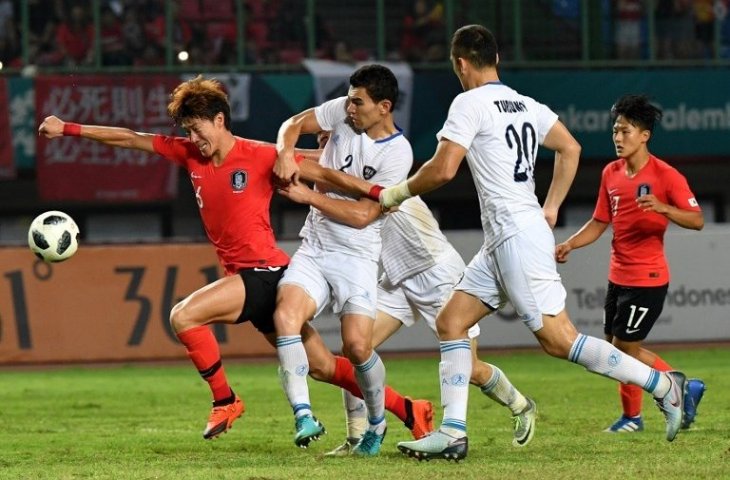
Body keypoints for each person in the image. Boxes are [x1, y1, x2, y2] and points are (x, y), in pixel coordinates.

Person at [37, 75, 433, 443]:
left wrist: (380, 192)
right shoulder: (190, 155)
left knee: (184, 316)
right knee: (323, 367)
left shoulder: (259, 156)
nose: (193, 137)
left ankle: (225, 400)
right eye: (187, 130)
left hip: (265, 272)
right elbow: (129, 138)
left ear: (220, 119)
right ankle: (411, 409)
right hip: (256, 277)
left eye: (198, 128)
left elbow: (324, 173)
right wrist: (69, 128)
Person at [369, 25, 689, 461]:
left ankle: (664, 385)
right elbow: (570, 147)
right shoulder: (525, 103)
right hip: (505, 237)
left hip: (516, 236)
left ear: (460, 63)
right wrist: (551, 206)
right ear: (496, 59)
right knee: (451, 323)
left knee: (560, 340)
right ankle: (453, 432)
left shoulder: (468, 102)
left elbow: (443, 169)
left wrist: (394, 194)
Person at [285, 131, 537, 456]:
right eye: (321, 142)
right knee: (356, 351)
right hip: (396, 279)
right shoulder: (341, 176)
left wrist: (278, 152)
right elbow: (316, 166)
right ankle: (357, 438)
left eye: (328, 140)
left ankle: (521, 405)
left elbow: (316, 166)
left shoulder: (377, 170)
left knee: (469, 367)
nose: (326, 148)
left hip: (436, 272)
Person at [272, 64, 413, 456]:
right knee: (285, 316)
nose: (350, 109)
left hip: (357, 256)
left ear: (384, 106)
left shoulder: (399, 154)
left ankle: (377, 422)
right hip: (315, 248)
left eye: (358, 102)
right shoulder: (344, 113)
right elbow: (294, 122)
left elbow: (364, 216)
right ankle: (303, 415)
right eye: (349, 100)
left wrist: (311, 195)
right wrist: (286, 151)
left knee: (356, 347)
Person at [555, 94, 706, 433]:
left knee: (624, 349)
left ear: (644, 136)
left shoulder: (667, 176)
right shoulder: (610, 173)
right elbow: (598, 221)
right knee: (614, 348)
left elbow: (697, 220)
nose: (618, 138)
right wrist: (570, 244)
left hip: (648, 278)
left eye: (625, 131)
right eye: (615, 131)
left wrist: (665, 208)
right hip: (617, 276)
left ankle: (649, 407)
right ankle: (667, 398)